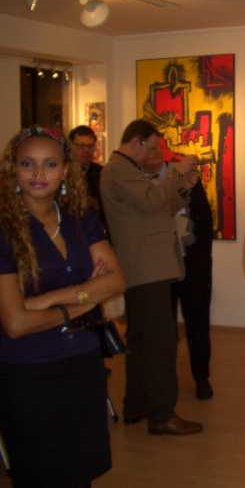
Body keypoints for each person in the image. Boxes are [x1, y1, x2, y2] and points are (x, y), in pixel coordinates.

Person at [0, 126, 126, 487]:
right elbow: (16, 324)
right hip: (29, 370)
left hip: (82, 361)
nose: (39, 173)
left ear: (65, 170)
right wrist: (85, 299)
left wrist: (48, 300)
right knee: (40, 474)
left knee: (81, 472)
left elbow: (116, 281)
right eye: (28, 164)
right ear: (13, 169)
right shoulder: (4, 228)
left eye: (50, 164)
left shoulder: (80, 216)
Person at [100, 119, 203, 436]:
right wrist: (175, 172)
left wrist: (185, 184)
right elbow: (153, 200)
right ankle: (162, 414)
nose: (155, 153)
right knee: (160, 343)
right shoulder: (118, 169)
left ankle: (137, 405)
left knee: (143, 340)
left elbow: (164, 206)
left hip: (148, 267)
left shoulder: (128, 170)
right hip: (145, 268)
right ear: (137, 141)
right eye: (153, 146)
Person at [142, 141, 215, 401]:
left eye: (157, 149)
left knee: (198, 324)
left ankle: (202, 378)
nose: (154, 154)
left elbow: (206, 223)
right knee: (164, 328)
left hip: (194, 267)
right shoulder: (146, 186)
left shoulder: (192, 183)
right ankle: (165, 380)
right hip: (161, 267)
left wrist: (201, 256)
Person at [68, 125, 108, 234]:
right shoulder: (61, 172)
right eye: (81, 146)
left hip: (94, 230)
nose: (86, 150)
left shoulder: (102, 173)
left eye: (90, 146)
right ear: (70, 146)